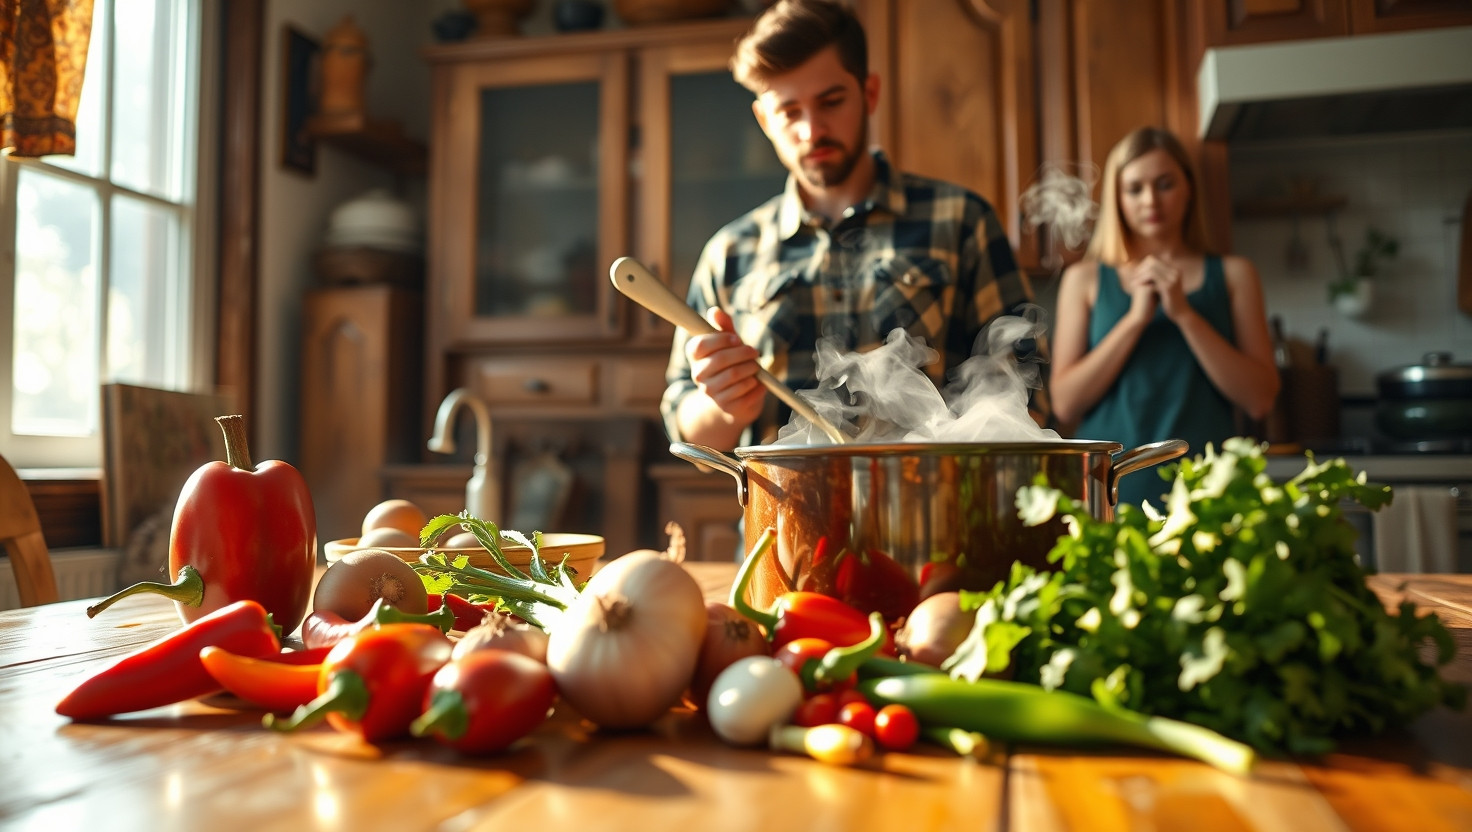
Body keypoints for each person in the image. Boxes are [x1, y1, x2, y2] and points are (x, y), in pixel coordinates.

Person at [659, 0, 1042, 451]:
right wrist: (723, 406)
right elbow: (685, 426)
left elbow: (1031, 398)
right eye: (788, 111)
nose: (811, 130)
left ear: (869, 93)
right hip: (779, 520)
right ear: (763, 119)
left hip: (928, 514)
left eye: (831, 101)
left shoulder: (962, 222)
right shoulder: (729, 252)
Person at [1050, 126, 1279, 507]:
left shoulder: (1236, 274)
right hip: (1107, 495)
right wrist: (1135, 320)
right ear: (1117, 198)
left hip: (1210, 496)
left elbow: (1260, 400)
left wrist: (1185, 315)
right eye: (1135, 188)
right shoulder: (1083, 279)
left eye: (1165, 184)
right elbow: (1065, 404)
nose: (1150, 200)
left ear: (1189, 188)